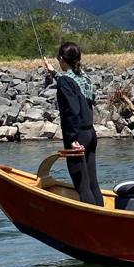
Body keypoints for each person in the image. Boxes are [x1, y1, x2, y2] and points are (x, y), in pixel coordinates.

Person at [44, 41, 103, 207]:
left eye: (58, 59)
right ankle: (104, 220)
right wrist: (53, 73)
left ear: (62, 59)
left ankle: (94, 223)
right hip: (90, 134)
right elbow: (70, 82)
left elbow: (72, 111)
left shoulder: (65, 81)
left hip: (77, 137)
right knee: (93, 183)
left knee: (82, 186)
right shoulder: (84, 77)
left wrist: (71, 140)